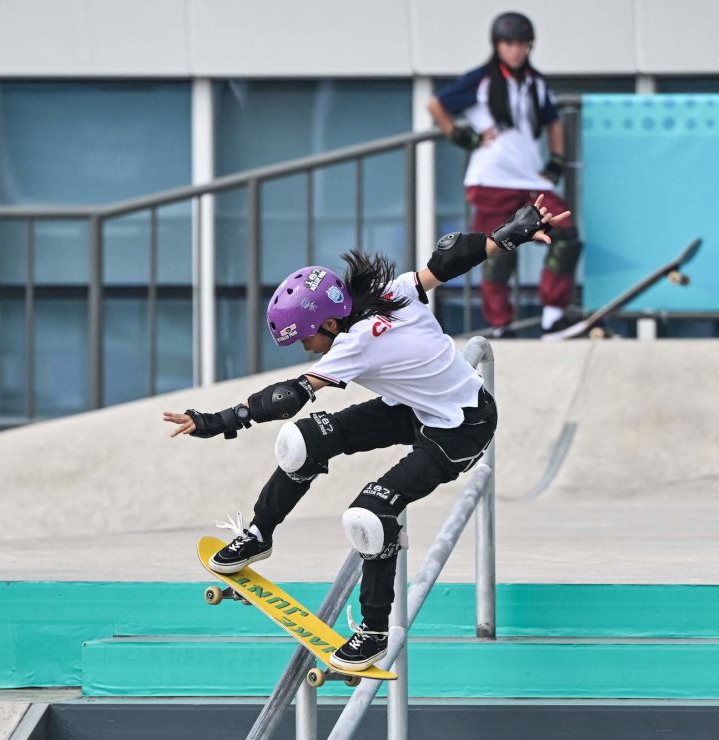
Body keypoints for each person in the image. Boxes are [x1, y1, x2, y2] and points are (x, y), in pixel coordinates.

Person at [163, 196, 568, 670]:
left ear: (330, 323)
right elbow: (447, 260)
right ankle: (259, 534)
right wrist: (506, 235)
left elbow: (287, 397)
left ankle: (375, 632)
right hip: (413, 408)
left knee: (370, 514)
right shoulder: (396, 292)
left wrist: (217, 421)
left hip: (461, 428)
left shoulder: (351, 346)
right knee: (302, 442)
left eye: (306, 338)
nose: (307, 348)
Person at [427, 11, 582, 337]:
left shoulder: (535, 83)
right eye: (508, 43)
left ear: (529, 46)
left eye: (521, 44)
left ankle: (553, 317)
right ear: (497, 46)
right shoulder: (481, 80)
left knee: (565, 234)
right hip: (491, 180)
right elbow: (435, 105)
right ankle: (501, 325)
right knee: (496, 246)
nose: (515, 50)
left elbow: (553, 123)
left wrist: (555, 161)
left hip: (529, 180)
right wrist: (462, 136)